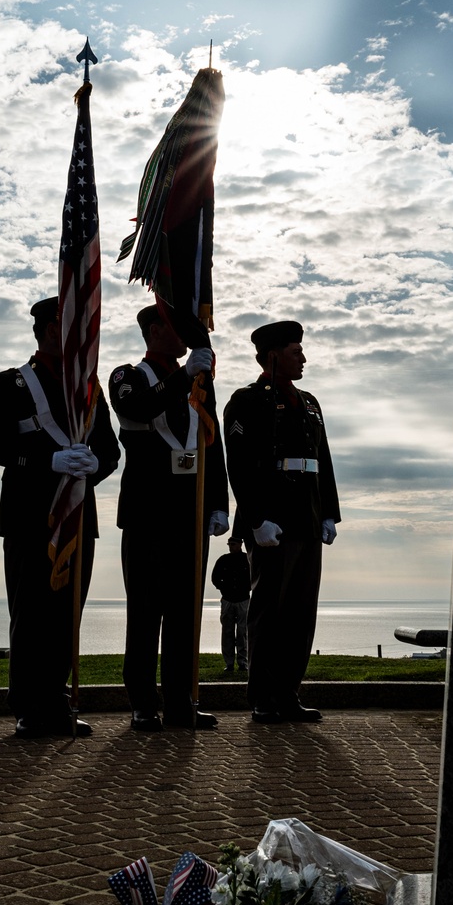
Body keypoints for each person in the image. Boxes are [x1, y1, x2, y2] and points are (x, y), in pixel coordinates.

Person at [0, 297, 119, 738]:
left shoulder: (88, 388)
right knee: (31, 614)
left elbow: (111, 451)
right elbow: (0, 447)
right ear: (43, 329)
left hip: (79, 516)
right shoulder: (10, 384)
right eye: (65, 326)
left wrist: (93, 466)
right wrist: (50, 461)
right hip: (29, 516)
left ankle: (57, 701)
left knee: (67, 613)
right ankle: (27, 705)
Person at [109, 305, 229, 731]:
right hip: (146, 513)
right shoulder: (127, 376)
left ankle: (181, 701)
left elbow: (210, 444)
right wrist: (182, 378)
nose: (186, 339)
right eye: (177, 328)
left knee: (185, 613)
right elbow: (140, 410)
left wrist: (218, 503)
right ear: (154, 330)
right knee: (145, 612)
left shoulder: (198, 382)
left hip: (189, 515)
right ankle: (143, 701)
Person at [223, 320, 340, 723]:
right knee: (269, 611)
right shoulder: (247, 400)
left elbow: (323, 461)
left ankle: (288, 693)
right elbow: (237, 465)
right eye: (295, 351)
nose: (303, 357)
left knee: (301, 611)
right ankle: (262, 697)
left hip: (306, 516)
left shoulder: (310, 402)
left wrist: (328, 513)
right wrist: (256, 520)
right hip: (271, 520)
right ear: (273, 356)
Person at [210, 531, 251, 675]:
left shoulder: (247, 559)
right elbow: (215, 577)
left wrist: (247, 588)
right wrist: (223, 588)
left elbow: (254, 576)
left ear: (240, 544)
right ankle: (229, 663)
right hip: (227, 599)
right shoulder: (223, 560)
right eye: (229, 544)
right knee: (227, 632)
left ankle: (242, 662)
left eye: (233, 544)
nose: (231, 547)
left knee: (242, 632)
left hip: (243, 600)